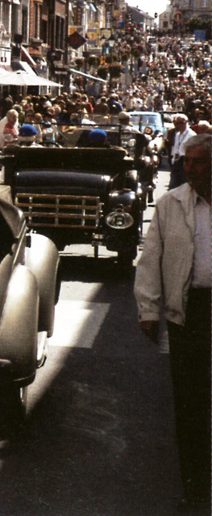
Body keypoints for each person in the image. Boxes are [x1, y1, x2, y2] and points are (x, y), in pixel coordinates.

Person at [134, 134, 211, 512]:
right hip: (189, 312)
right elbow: (151, 260)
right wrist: (149, 310)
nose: (192, 169)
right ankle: (196, 485)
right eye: (188, 162)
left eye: (200, 162)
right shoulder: (170, 205)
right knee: (191, 402)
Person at [168, 114, 196, 190]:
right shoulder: (177, 135)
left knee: (184, 186)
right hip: (177, 162)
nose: (178, 125)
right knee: (173, 187)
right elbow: (175, 148)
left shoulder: (191, 135)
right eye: (176, 123)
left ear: (186, 123)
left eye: (180, 123)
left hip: (185, 162)